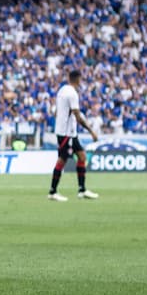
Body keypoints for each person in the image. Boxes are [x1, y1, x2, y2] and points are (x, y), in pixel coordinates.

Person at [48, 70, 99, 201]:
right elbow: (78, 116)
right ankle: (53, 191)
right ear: (77, 79)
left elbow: (56, 111)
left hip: (68, 132)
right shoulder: (72, 93)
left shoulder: (62, 90)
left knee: (82, 156)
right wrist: (91, 131)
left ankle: (82, 190)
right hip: (66, 133)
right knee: (62, 159)